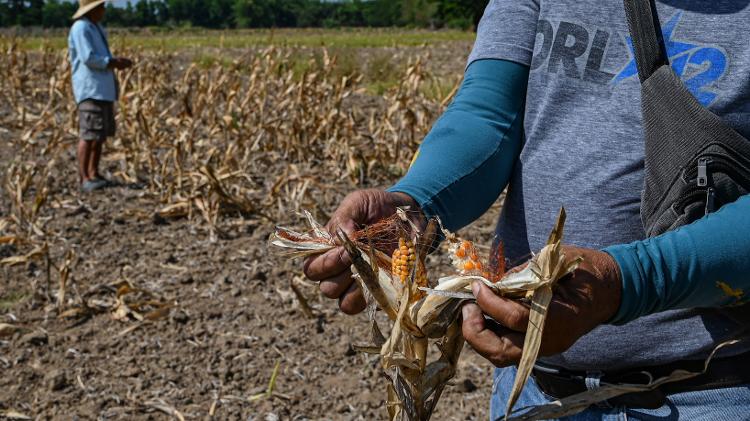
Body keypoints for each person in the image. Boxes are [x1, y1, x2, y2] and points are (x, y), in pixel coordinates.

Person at [303, 1, 750, 419]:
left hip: (708, 389)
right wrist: (415, 204)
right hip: (533, 389)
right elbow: (487, 115)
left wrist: (626, 283)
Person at [68, 0, 132, 192]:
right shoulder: (81, 28)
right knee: (89, 135)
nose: (104, 10)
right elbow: (88, 58)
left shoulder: (95, 27)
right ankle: (84, 178)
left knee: (100, 135)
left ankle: (94, 173)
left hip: (102, 90)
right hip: (90, 89)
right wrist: (113, 63)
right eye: (101, 6)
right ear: (93, 9)